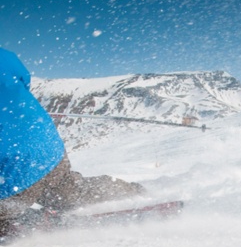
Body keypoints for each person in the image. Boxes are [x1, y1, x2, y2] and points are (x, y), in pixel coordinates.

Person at [0, 48, 144, 236]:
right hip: (46, 148)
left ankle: (19, 225)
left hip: (10, 173)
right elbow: (23, 80)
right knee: (72, 191)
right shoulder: (5, 56)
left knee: (10, 204)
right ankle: (133, 191)